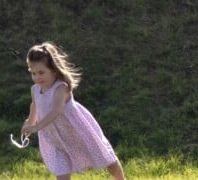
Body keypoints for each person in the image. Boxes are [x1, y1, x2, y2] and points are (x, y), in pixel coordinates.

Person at [21, 42, 125, 180]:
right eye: (33, 73)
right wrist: (29, 122)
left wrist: (37, 127)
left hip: (77, 131)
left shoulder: (61, 88)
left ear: (54, 70)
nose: (37, 77)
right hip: (55, 137)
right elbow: (35, 105)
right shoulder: (35, 89)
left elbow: (56, 111)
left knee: (106, 159)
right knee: (61, 172)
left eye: (41, 72)